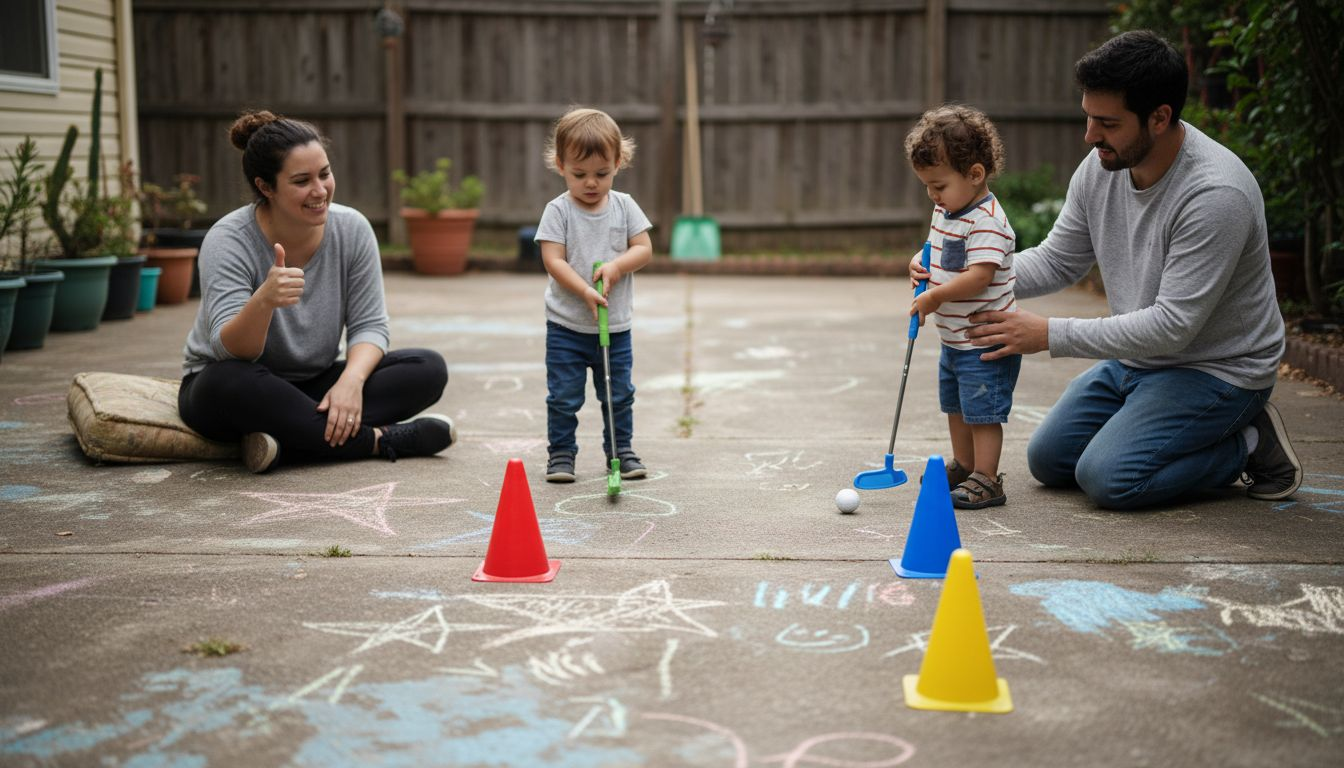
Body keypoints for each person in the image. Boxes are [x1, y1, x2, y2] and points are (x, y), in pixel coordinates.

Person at [914, 31, 1302, 510]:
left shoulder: (1216, 195)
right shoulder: (1102, 167)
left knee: (1109, 478)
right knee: (1050, 462)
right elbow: (1059, 259)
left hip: (1217, 369)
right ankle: (1174, 424)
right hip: (1137, 360)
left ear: (1159, 118)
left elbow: (1174, 326)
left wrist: (1049, 334)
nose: (1090, 135)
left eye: (1107, 123)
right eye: (1089, 117)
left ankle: (1246, 445)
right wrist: (963, 278)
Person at [178, 110, 455, 473]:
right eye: (301, 181)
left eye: (324, 174)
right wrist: (263, 301)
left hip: (315, 386)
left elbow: (370, 326)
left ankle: (286, 441)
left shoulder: (352, 229)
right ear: (265, 187)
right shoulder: (228, 240)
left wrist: (350, 383)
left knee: (427, 368)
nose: (320, 190)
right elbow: (230, 349)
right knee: (227, 382)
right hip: (238, 385)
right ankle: (380, 440)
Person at [905, 105, 1020, 509]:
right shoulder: (948, 209)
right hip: (955, 340)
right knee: (956, 405)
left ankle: (988, 477)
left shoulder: (986, 220)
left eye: (939, 185)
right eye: (928, 187)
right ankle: (965, 464)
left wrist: (935, 296)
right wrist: (921, 265)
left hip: (984, 341)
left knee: (983, 412)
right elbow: (937, 252)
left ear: (975, 174)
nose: (933, 196)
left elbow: (979, 276)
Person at [534, 107, 653, 483]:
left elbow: (644, 248)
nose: (590, 183)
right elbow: (553, 259)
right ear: (560, 165)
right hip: (567, 328)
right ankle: (561, 455)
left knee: (618, 396)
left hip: (614, 328)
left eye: (601, 174)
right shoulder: (559, 211)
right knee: (564, 397)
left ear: (618, 162)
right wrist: (584, 289)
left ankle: (621, 451)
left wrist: (618, 266)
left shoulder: (624, 206)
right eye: (579, 174)